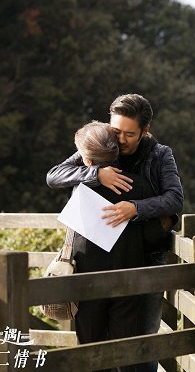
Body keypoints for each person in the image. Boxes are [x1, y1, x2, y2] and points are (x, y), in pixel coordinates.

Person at [47, 94, 184, 372]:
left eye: (129, 134)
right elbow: (54, 175)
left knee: (139, 351)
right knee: (95, 346)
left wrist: (134, 208)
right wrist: (96, 175)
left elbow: (174, 200)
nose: (119, 139)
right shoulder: (102, 145)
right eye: (115, 130)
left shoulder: (159, 154)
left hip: (142, 260)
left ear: (145, 131)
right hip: (94, 262)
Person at [54, 121, 153, 372]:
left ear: (86, 161)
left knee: (89, 346)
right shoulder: (140, 185)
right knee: (124, 349)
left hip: (87, 275)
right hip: (128, 273)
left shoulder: (78, 184)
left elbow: (54, 174)